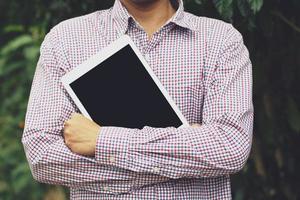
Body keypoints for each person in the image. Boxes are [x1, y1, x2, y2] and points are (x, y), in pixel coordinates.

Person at [22, 0, 254, 199]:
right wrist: (184, 157)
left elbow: (230, 147)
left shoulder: (221, 40)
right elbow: (41, 154)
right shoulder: (66, 40)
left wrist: (102, 141)